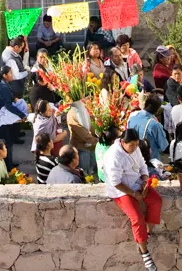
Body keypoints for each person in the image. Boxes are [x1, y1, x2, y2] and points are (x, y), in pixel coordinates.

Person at [104, 128, 163, 271]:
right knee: (136, 218)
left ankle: (147, 233)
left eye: (137, 145)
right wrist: (133, 194)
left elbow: (142, 165)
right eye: (132, 145)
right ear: (123, 142)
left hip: (137, 183)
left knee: (156, 201)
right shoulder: (114, 155)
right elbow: (116, 182)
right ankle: (144, 251)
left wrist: (144, 180)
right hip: (121, 190)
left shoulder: (135, 148)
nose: (135, 148)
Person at [127, 93, 169, 162]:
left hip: (134, 158)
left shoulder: (132, 117)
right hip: (151, 161)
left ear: (145, 104)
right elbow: (163, 146)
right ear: (157, 110)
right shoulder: (155, 125)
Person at [0, 65, 21, 162]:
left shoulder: (4, 84)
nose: (12, 75)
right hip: (4, 119)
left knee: (8, 142)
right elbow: (8, 105)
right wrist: (21, 114)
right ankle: (8, 166)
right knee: (6, 143)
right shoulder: (3, 87)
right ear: (5, 75)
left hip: (6, 118)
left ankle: (9, 163)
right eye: (10, 73)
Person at [66, 98, 98, 179]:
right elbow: (81, 132)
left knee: (92, 169)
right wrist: (95, 140)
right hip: (82, 147)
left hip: (91, 146)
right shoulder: (72, 114)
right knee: (84, 171)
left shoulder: (86, 109)